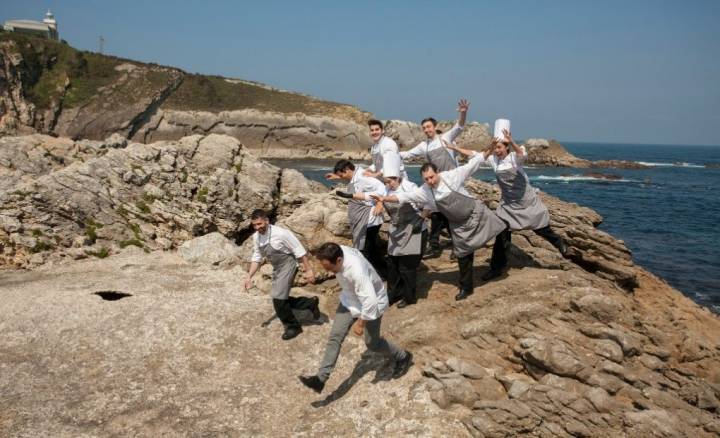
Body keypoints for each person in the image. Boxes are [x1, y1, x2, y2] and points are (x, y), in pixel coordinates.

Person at [373, 148, 507, 301]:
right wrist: (383, 199)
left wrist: (489, 149)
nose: (430, 181)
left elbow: (473, 163)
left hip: (477, 213)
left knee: (502, 228)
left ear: (437, 172)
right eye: (426, 179)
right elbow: (403, 196)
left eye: (431, 177)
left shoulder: (452, 176)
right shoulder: (424, 191)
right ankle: (466, 288)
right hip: (458, 225)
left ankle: (499, 265)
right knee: (463, 255)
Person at [298, 242, 413, 394]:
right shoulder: (337, 251)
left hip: (371, 304)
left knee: (372, 343)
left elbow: (370, 301)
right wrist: (310, 270)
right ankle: (320, 379)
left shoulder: (356, 271)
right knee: (335, 336)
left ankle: (403, 356)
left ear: (339, 260)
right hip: (349, 299)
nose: (327, 271)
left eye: (329, 267)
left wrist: (360, 323)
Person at [478, 125, 568, 278]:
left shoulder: (515, 158)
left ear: (507, 147)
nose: (497, 151)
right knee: (501, 231)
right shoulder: (494, 160)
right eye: (496, 148)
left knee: (540, 227)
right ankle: (497, 267)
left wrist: (511, 141)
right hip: (508, 203)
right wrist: (456, 148)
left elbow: (521, 154)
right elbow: (477, 156)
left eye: (500, 147)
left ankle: (559, 242)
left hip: (525, 200)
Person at [400, 99, 469, 258]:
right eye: (424, 128)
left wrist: (463, 112)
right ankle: (435, 246)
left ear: (435, 127)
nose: (426, 130)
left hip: (452, 184)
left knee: (453, 216)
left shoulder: (446, 138)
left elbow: (460, 126)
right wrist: (390, 154)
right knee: (437, 215)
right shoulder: (424, 146)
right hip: (436, 184)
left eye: (429, 127)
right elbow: (408, 154)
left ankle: (458, 246)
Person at [244, 209, 320, 340]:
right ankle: (309, 303)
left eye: (260, 224)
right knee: (280, 298)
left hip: (288, 265)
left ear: (266, 221)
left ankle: (293, 326)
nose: (258, 227)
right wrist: (249, 276)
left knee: (278, 299)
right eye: (255, 225)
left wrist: (308, 270)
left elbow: (300, 252)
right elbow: (257, 257)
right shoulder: (256, 237)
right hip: (277, 268)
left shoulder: (282, 234)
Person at [381, 152, 428, 308]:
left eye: (389, 181)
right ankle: (393, 294)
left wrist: (421, 218)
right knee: (392, 265)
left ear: (397, 178)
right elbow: (381, 200)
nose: (387, 184)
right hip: (396, 229)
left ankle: (409, 297)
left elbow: (428, 202)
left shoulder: (410, 187)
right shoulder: (386, 189)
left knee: (407, 268)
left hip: (412, 230)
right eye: (385, 181)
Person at [326, 160, 387, 277]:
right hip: (363, 219)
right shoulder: (355, 175)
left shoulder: (362, 177)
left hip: (369, 219)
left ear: (348, 170)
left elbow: (382, 187)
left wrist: (380, 202)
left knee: (368, 251)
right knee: (369, 249)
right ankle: (379, 273)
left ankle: (382, 274)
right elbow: (353, 184)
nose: (341, 177)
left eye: (341, 174)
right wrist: (337, 177)